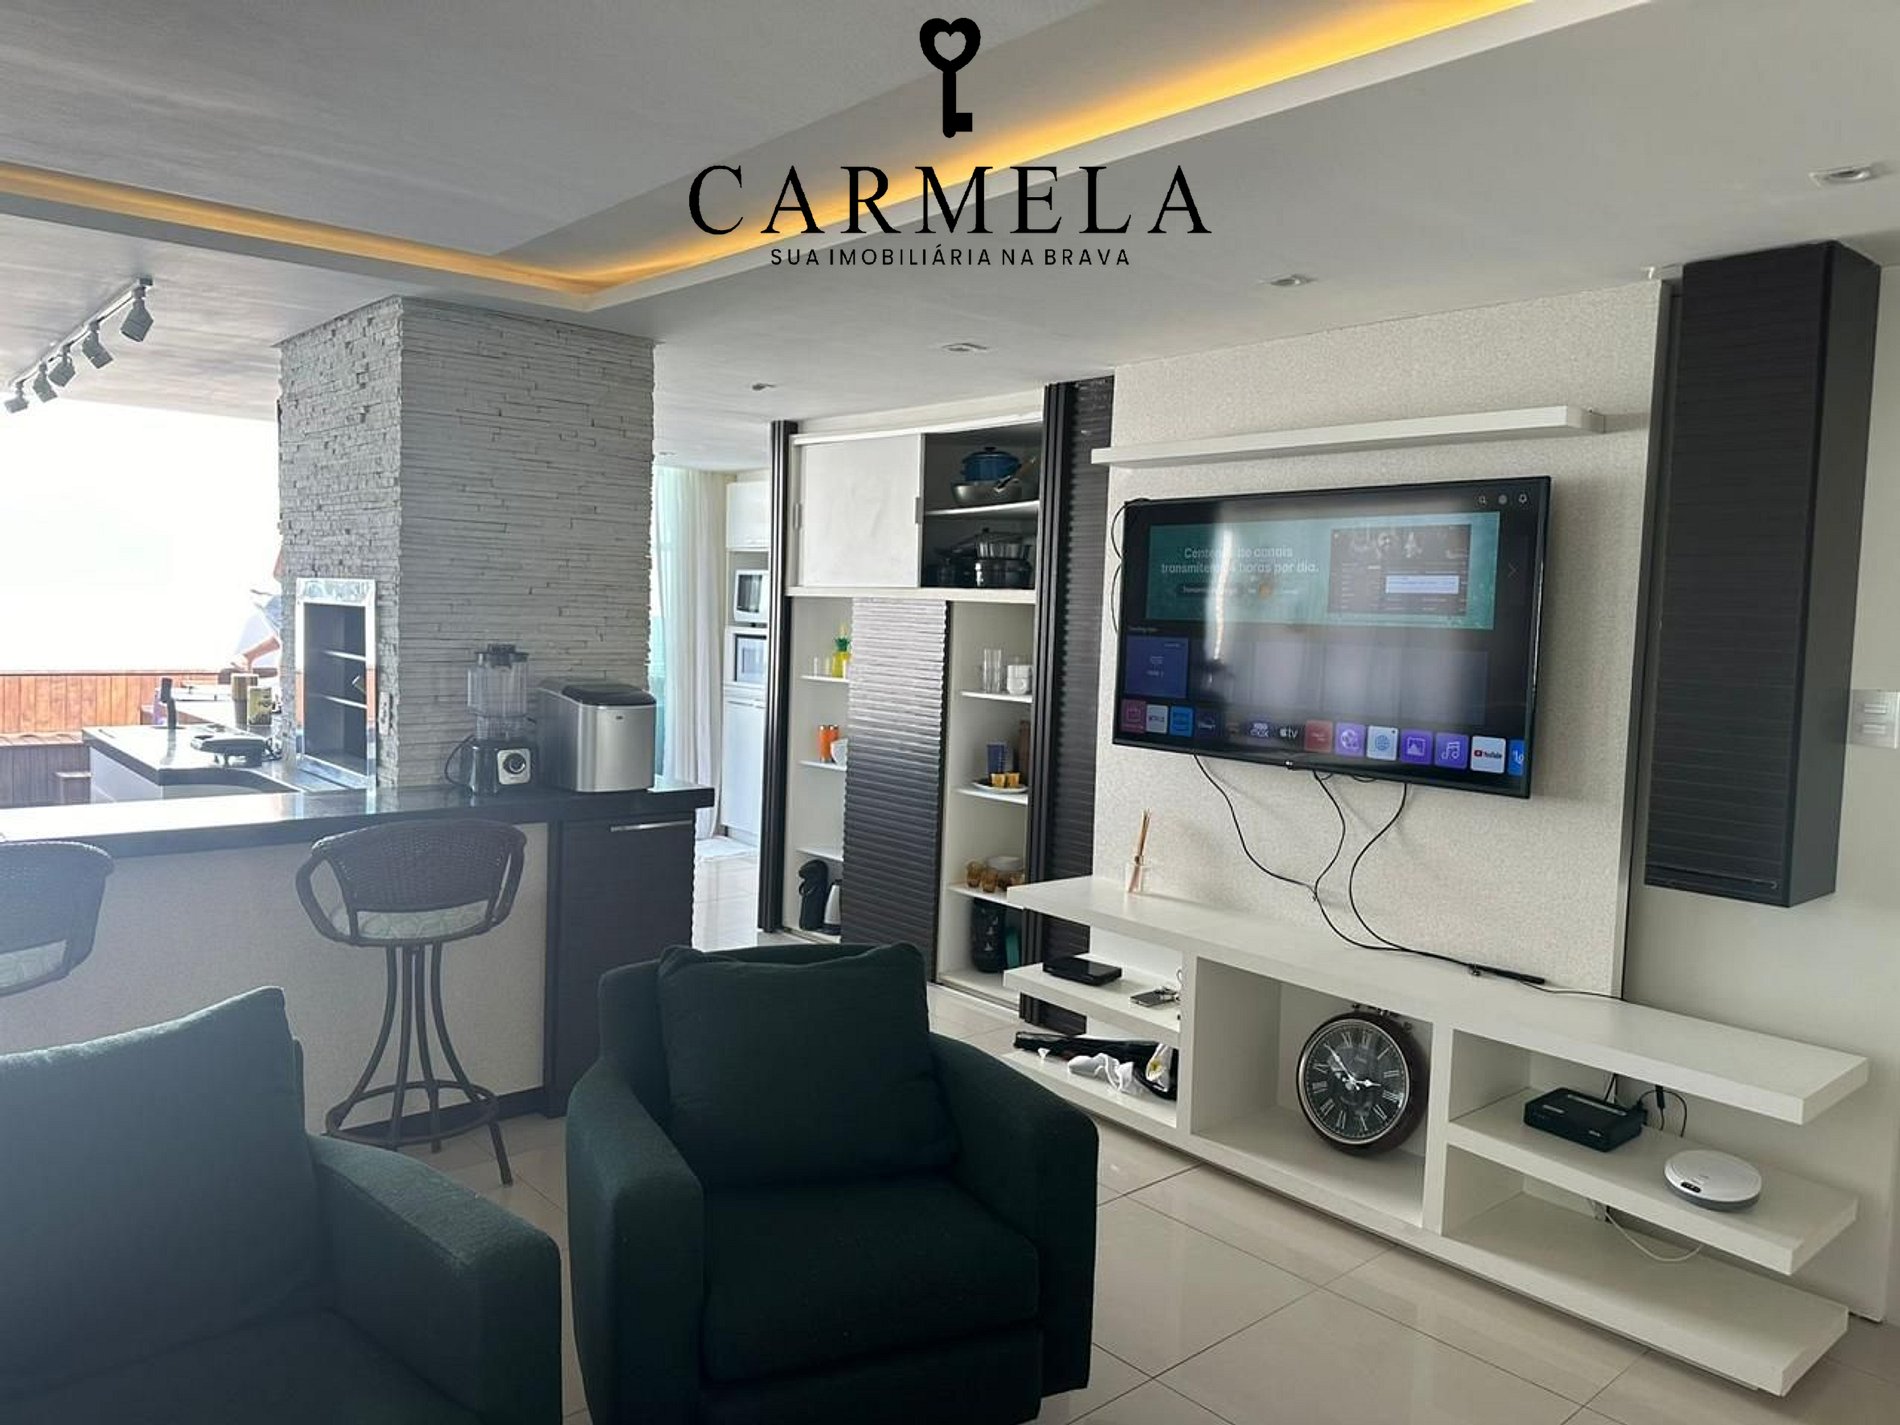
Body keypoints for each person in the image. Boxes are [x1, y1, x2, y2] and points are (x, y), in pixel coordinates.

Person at [235, 547, 285, 673]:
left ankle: (247, 656)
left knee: (288, 637)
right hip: (271, 596)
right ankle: (286, 683)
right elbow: (278, 573)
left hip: (269, 595)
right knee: (290, 641)